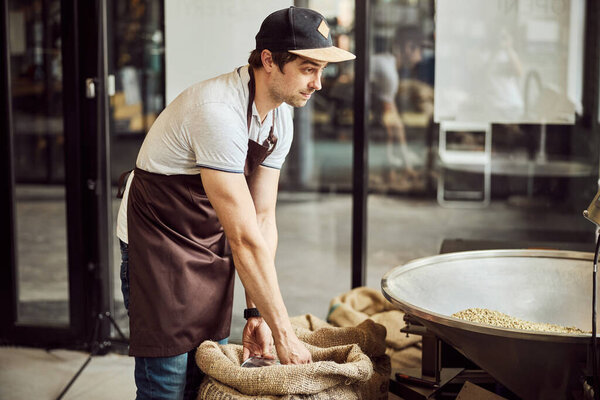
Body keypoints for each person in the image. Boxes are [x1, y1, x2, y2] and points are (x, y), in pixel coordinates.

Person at [115, 6, 355, 400]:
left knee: (207, 368)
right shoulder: (217, 111)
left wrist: (256, 313)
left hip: (209, 239)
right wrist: (283, 335)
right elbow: (244, 237)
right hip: (157, 241)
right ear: (269, 61)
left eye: (322, 70)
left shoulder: (281, 117)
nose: (319, 84)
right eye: (309, 68)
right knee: (168, 383)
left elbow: (261, 220)